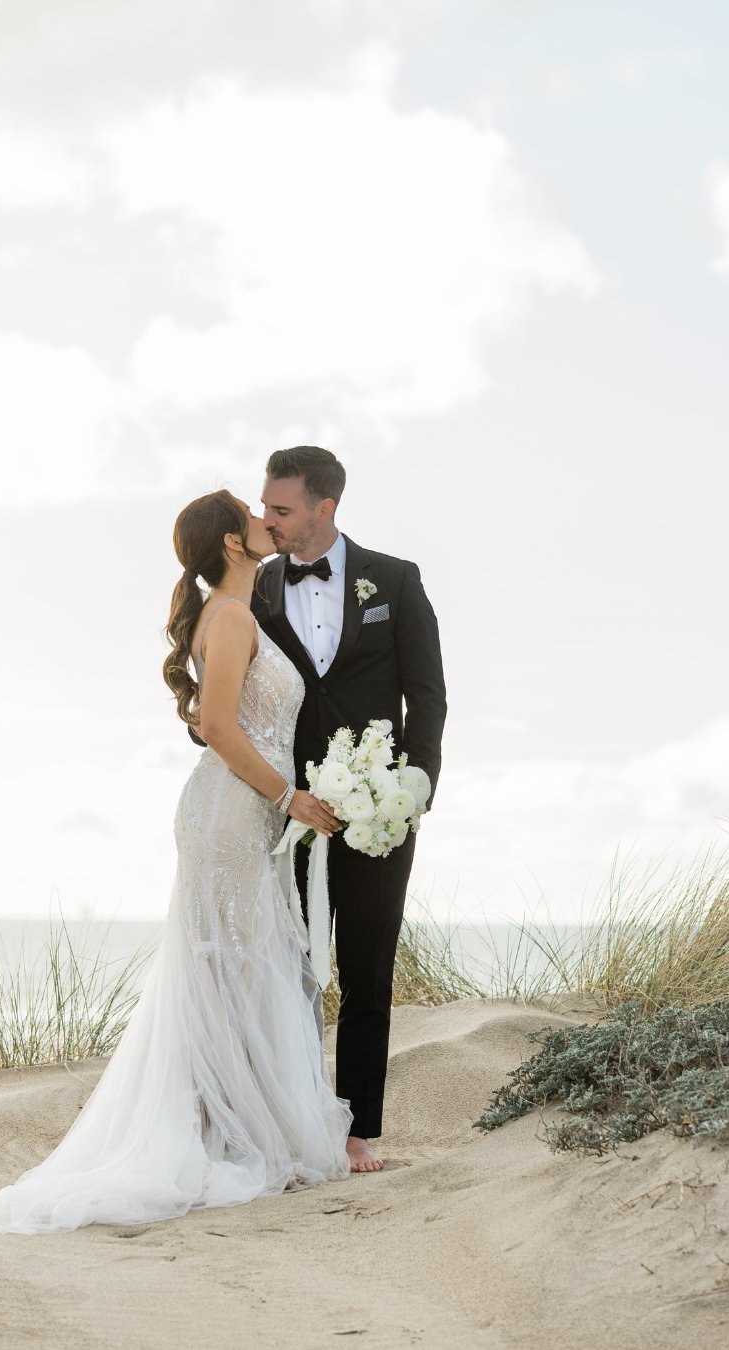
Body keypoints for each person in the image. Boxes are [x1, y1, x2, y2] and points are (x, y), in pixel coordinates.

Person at [0, 490, 351, 1234]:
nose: (269, 520)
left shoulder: (237, 612)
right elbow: (218, 727)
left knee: (240, 964)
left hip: (240, 812)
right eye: (254, 514)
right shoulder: (230, 618)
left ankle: (231, 1126)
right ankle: (227, 1136)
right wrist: (290, 796)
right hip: (232, 811)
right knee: (231, 965)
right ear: (234, 544)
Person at [241, 446, 447, 1173]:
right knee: (290, 964)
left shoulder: (394, 579)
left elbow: (426, 692)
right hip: (288, 807)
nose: (268, 519)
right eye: (266, 506)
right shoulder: (257, 587)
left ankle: (357, 1129)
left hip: (377, 806)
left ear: (325, 509)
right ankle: (299, 1119)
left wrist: (415, 784)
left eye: (282, 509)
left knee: (368, 962)